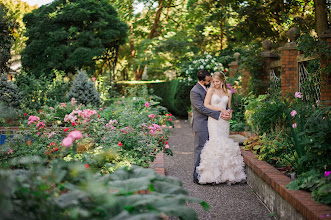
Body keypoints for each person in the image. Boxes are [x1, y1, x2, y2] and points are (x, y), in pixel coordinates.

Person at [196, 71, 247, 185]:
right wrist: (220, 110)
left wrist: (229, 114)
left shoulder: (228, 92)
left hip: (224, 122)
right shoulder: (211, 90)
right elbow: (206, 105)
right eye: (214, 81)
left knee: (225, 143)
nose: (215, 83)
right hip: (214, 120)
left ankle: (226, 175)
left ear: (223, 81)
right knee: (215, 143)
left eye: (217, 81)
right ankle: (212, 176)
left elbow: (229, 108)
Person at [190, 69, 230, 184]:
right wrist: (219, 114)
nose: (211, 82)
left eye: (211, 79)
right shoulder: (194, 91)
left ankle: (212, 174)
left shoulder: (210, 89)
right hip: (201, 123)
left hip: (213, 123)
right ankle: (197, 176)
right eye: (209, 80)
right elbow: (201, 108)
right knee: (200, 149)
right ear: (202, 81)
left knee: (211, 149)